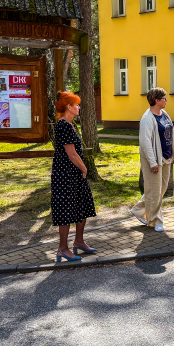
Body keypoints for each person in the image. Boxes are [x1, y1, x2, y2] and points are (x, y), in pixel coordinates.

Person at [52, 92, 97, 261]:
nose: (79, 107)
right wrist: (84, 168)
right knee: (65, 209)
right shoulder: (62, 125)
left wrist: (81, 170)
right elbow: (71, 154)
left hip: (75, 173)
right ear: (69, 107)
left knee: (82, 206)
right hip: (65, 175)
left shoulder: (71, 125)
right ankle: (62, 248)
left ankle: (78, 242)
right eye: (76, 105)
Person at [131, 87, 174, 232]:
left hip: (166, 158)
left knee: (160, 189)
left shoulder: (164, 114)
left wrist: (172, 154)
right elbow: (145, 143)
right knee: (155, 191)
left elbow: (171, 134)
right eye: (164, 98)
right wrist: (153, 163)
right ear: (157, 100)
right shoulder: (147, 119)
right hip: (153, 160)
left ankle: (139, 210)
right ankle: (154, 221)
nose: (166, 101)